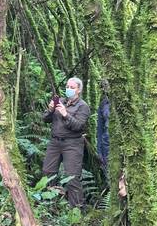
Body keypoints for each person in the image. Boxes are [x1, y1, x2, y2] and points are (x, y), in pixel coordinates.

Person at [42, 77, 91, 207]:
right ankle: (49, 205)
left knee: (73, 177)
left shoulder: (83, 106)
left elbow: (79, 126)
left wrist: (65, 114)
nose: (69, 89)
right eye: (67, 87)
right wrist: (51, 109)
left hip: (73, 144)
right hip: (55, 142)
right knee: (48, 172)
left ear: (79, 90)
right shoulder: (61, 101)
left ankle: (76, 210)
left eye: (72, 87)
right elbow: (45, 119)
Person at [97, 79, 110, 172]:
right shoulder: (103, 104)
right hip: (106, 143)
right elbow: (100, 130)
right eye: (104, 86)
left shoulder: (125, 103)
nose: (106, 88)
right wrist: (99, 151)